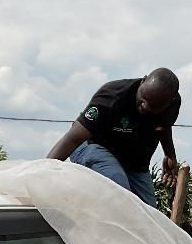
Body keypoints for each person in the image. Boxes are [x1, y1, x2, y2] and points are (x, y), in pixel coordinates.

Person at [47, 69, 181, 206]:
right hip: (94, 146)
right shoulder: (112, 96)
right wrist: (42, 171)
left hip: (133, 162)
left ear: (168, 103)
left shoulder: (172, 105)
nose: (145, 106)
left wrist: (170, 154)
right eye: (143, 98)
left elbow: (164, 125)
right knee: (118, 189)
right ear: (143, 81)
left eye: (154, 106)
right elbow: (74, 138)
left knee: (149, 214)